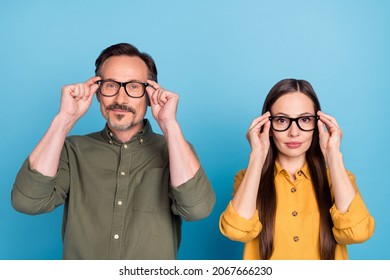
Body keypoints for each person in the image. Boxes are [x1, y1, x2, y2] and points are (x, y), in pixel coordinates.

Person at [12, 43, 215, 260]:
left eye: (134, 87)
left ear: (150, 95)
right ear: (98, 93)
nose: (120, 99)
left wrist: (170, 125)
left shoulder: (175, 150)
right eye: (110, 85)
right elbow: (28, 202)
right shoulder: (72, 150)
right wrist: (64, 119)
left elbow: (197, 210)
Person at [219, 78, 374, 260]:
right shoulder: (248, 178)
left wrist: (333, 155)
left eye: (305, 119)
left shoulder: (339, 178)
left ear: (317, 125)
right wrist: (257, 155)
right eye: (282, 120)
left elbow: (358, 233)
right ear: (268, 126)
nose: (294, 132)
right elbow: (236, 231)